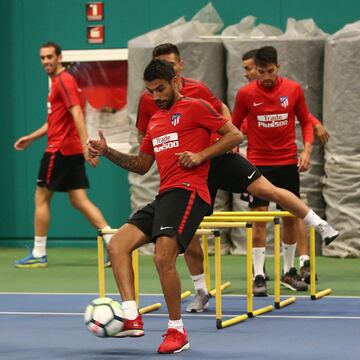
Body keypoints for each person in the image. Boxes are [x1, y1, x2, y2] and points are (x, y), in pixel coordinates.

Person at [88, 59, 242, 354]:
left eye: (160, 89)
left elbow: (235, 135)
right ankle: (131, 316)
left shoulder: (196, 107)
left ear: (175, 81)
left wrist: (200, 156)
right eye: (150, 91)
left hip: (191, 192)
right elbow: (141, 165)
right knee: (118, 244)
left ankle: (177, 331)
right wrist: (106, 152)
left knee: (163, 257)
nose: (156, 97)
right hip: (165, 195)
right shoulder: (155, 121)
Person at [136, 43, 232, 313]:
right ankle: (200, 288)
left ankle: (314, 221)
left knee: (265, 194)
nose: (155, 94)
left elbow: (225, 117)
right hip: (174, 180)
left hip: (209, 161)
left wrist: (205, 151)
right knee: (187, 239)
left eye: (170, 63)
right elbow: (145, 137)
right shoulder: (151, 103)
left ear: (178, 69)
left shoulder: (197, 94)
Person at [232, 46, 332, 296]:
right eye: (261, 71)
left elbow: (306, 119)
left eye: (271, 71)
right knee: (259, 220)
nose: (266, 77)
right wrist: (232, 148)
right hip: (258, 164)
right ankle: (258, 275)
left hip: (287, 162)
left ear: (278, 67)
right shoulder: (245, 94)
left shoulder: (293, 90)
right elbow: (233, 125)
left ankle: (289, 271)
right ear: (256, 70)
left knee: (289, 217)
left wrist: (307, 150)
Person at [14, 42, 112, 268]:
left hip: (58, 151)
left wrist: (86, 145)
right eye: (42, 58)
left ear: (59, 57)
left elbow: (77, 113)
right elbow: (56, 121)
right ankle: (113, 241)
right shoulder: (60, 82)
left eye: (50, 57)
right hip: (70, 150)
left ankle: (39, 253)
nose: (46, 61)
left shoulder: (63, 81)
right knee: (79, 200)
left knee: (41, 198)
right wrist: (31, 137)